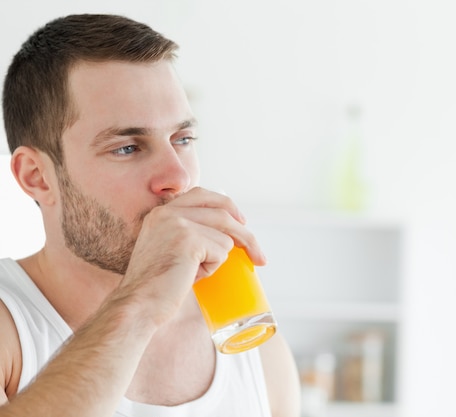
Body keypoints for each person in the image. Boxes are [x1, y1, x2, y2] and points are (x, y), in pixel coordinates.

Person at [0, 13, 300, 417]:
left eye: (183, 139)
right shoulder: (10, 327)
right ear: (37, 177)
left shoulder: (252, 347)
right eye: (127, 147)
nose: (178, 176)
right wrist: (140, 302)